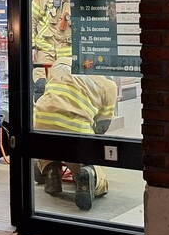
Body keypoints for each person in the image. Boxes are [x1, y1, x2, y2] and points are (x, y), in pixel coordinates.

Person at [33, 69, 118, 211]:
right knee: (96, 175)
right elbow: (102, 128)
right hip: (75, 127)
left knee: (49, 146)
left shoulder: (62, 63)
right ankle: (88, 176)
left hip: (41, 120)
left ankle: (51, 171)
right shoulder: (109, 86)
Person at [31, 0, 71, 99]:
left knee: (63, 89)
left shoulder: (80, 1)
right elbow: (31, 21)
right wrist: (31, 46)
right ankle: (39, 113)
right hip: (45, 50)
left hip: (67, 52)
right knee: (41, 86)